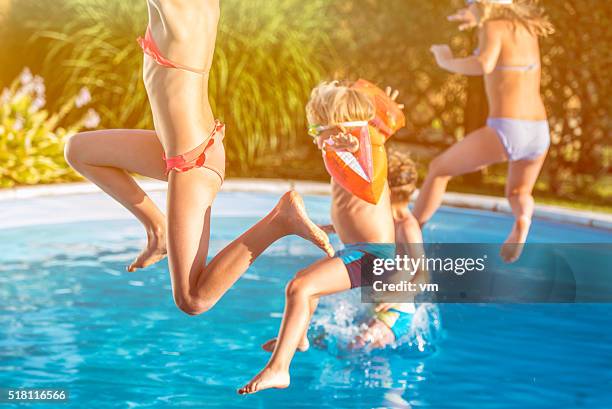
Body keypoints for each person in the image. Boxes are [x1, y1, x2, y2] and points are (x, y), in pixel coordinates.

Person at [64, 0, 333, 317]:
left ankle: (280, 220)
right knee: (79, 150)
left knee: (193, 299)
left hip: (193, 162)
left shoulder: (182, 7)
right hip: (174, 147)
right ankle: (158, 229)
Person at [238, 80, 403, 394]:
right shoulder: (349, 162)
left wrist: (353, 144)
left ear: (341, 130)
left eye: (317, 132)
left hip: (374, 257)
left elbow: (367, 145)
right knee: (306, 289)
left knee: (299, 287)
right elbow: (353, 213)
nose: (315, 141)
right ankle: (297, 336)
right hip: (363, 250)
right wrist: (330, 227)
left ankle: (278, 369)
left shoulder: (363, 154)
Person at [413, 0, 554, 262]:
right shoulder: (527, 27)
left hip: (508, 128)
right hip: (539, 131)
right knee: (518, 193)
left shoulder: (492, 26)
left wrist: (446, 61)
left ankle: (408, 236)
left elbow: (484, 63)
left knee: (438, 170)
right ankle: (523, 219)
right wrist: (476, 18)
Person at [352, 147, 428, 349]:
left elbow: (423, 274)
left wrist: (399, 295)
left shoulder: (407, 227)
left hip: (396, 312)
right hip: (375, 309)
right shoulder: (382, 219)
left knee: (357, 347)